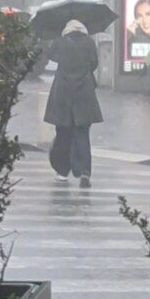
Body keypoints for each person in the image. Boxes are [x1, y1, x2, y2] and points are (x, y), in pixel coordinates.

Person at [44, 20, 103, 188]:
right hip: (84, 93)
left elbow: (50, 55)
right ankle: (84, 171)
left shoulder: (60, 41)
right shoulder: (90, 42)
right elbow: (94, 63)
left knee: (63, 132)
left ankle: (62, 171)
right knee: (82, 133)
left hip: (63, 92)